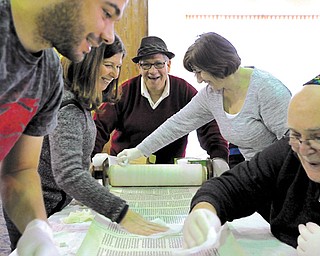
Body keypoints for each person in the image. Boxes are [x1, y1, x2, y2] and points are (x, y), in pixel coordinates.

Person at [4, 35, 168, 252]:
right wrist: (121, 213)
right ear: (88, 63)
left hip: (53, 205)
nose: (115, 74)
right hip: (36, 210)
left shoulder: (80, 104)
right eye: (108, 65)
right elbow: (68, 173)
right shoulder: (68, 107)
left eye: (117, 67)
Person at [0, 0, 128, 255]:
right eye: (106, 12)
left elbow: (19, 172)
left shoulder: (47, 73)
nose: (108, 35)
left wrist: (39, 232)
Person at [180, 84, 320, 256]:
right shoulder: (287, 154)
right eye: (295, 134)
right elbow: (231, 186)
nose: (303, 149)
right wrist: (205, 210)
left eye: (318, 137)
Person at [117, 32, 292, 166]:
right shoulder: (212, 94)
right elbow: (177, 124)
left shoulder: (267, 90)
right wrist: (139, 151)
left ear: (215, 65)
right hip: (255, 174)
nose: (199, 79)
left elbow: (293, 143)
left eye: (200, 72)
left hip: (282, 176)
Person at [93, 36, 229, 165]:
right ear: (138, 68)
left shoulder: (185, 91)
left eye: (158, 64)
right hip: (127, 171)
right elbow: (98, 129)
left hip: (170, 173)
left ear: (168, 65)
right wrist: (89, 161)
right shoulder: (122, 92)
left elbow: (210, 129)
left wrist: (219, 160)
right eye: (146, 65)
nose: (153, 71)